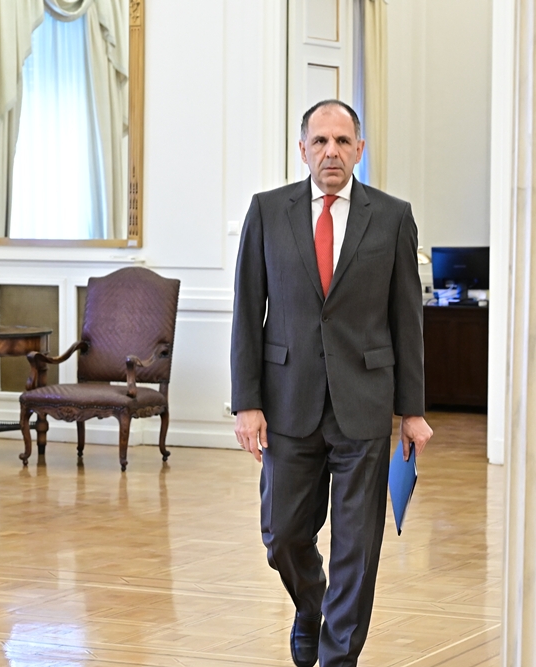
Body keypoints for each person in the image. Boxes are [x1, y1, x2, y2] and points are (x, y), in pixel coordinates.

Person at [230, 99, 433, 667]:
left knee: (356, 547)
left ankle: (337, 658)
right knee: (282, 535)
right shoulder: (267, 211)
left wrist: (412, 410)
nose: (331, 152)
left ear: (359, 149)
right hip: (287, 401)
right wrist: (246, 402)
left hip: (363, 403)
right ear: (302, 149)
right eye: (320, 141)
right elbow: (247, 311)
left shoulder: (392, 217)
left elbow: (407, 319)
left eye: (343, 141)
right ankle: (310, 606)